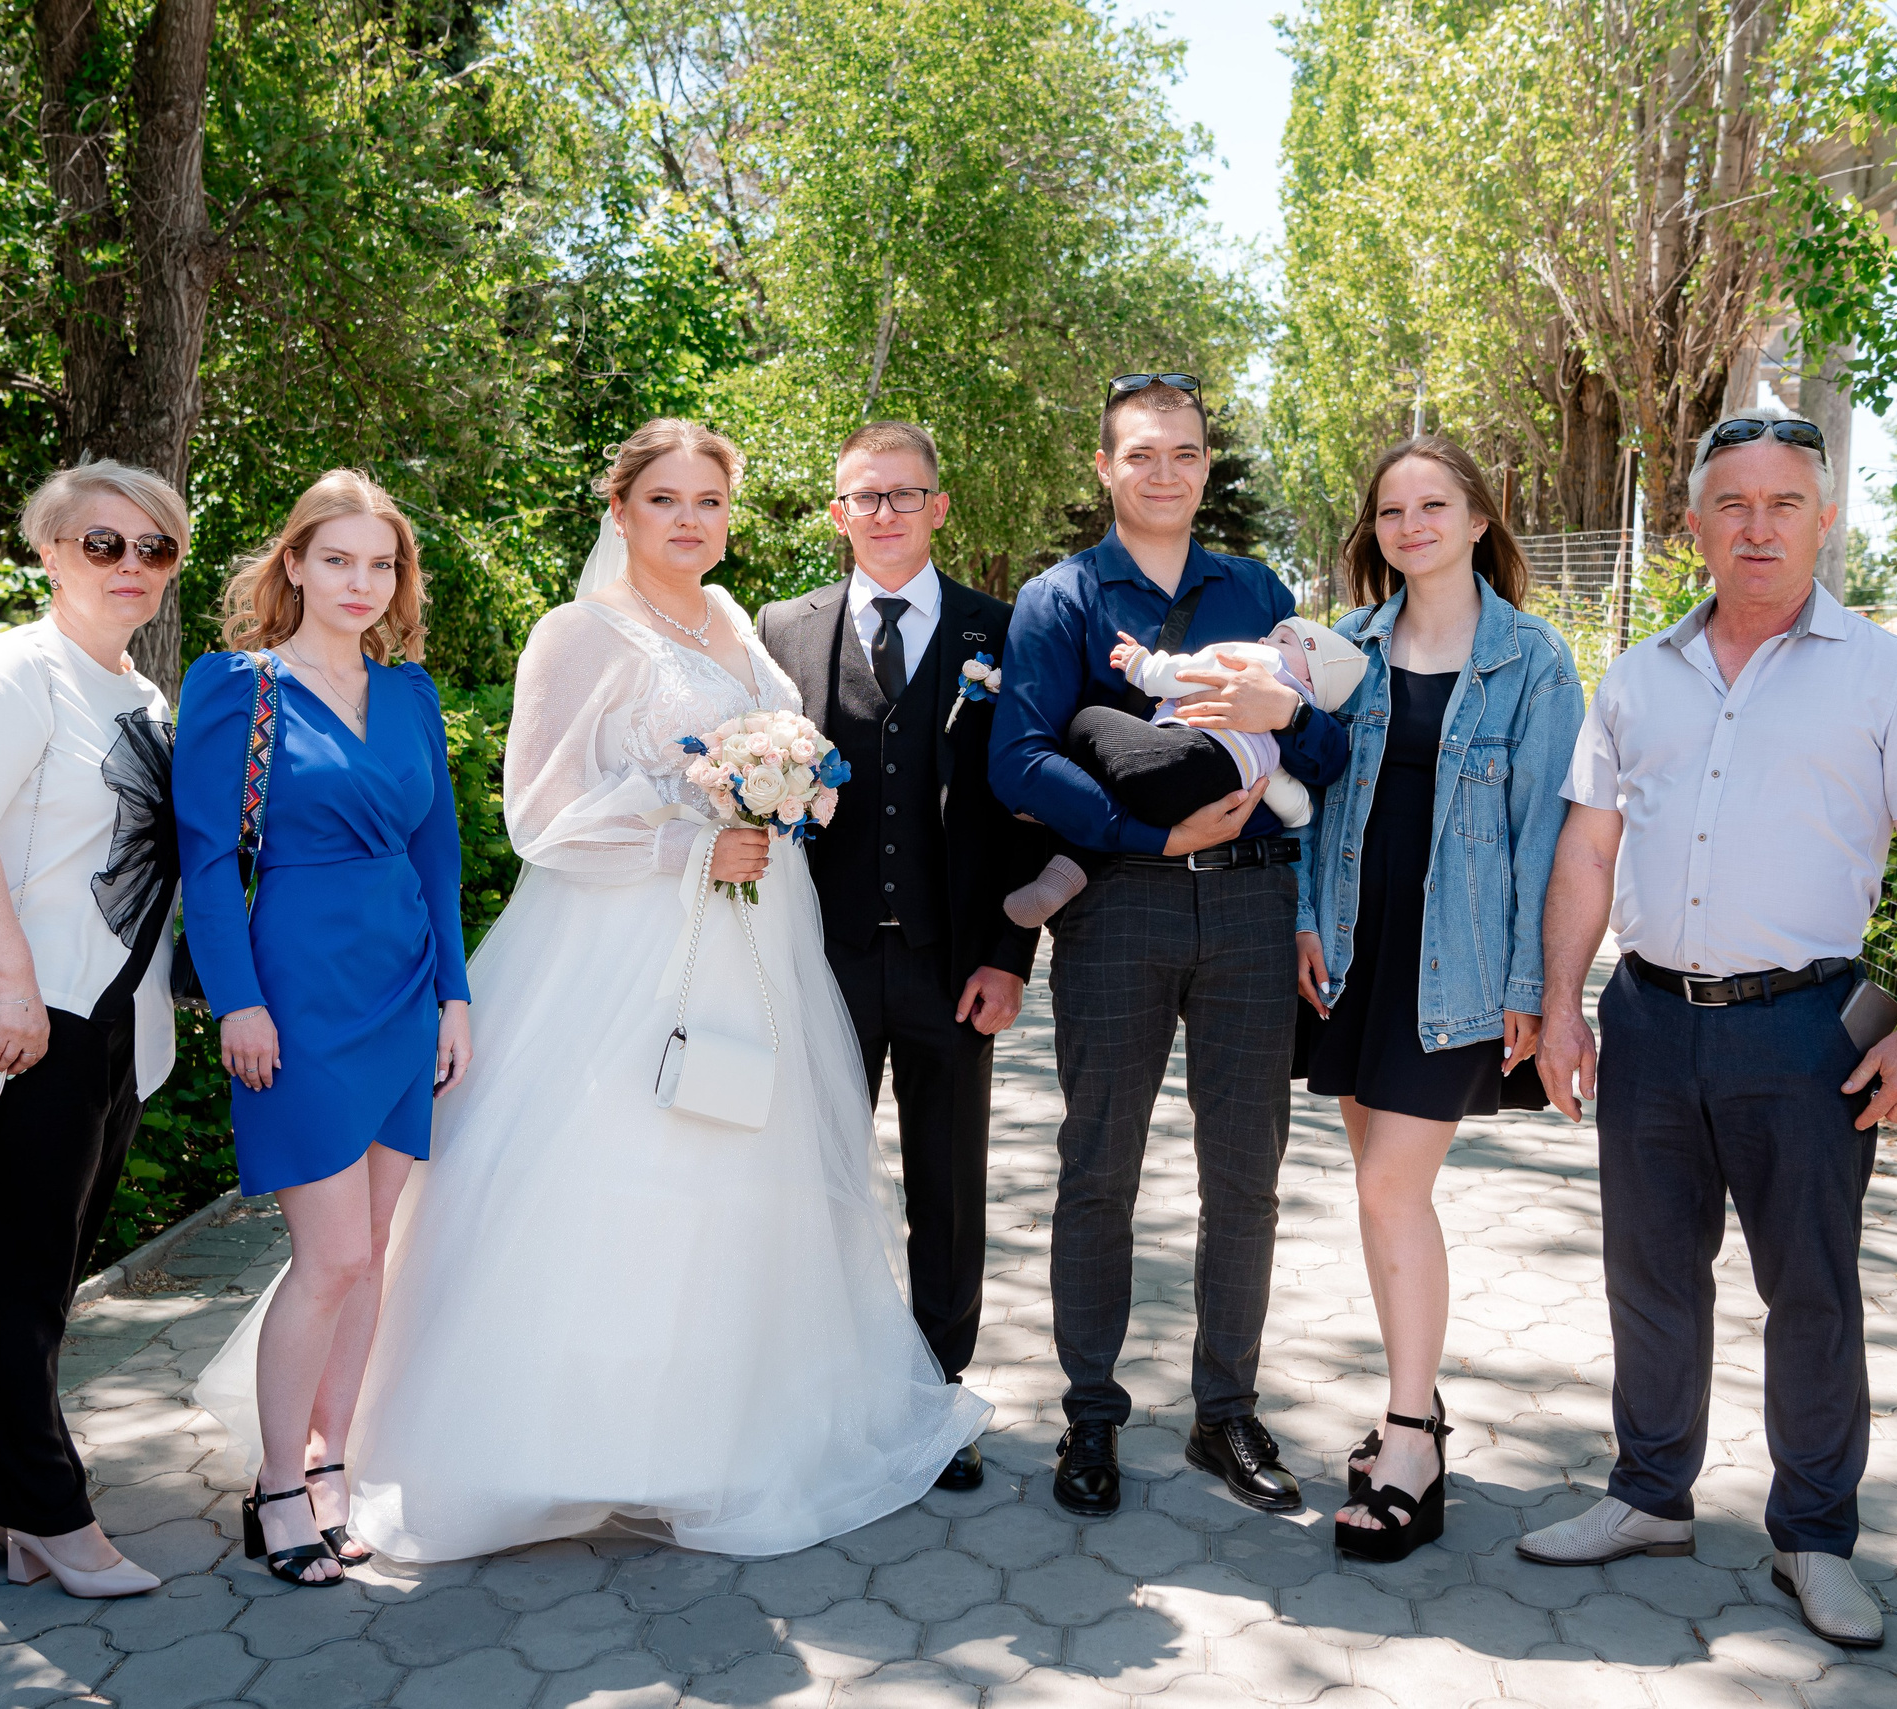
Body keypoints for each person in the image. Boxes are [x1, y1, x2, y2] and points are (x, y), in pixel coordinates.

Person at [201, 418, 988, 1561]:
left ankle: (708, 1431)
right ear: (618, 509)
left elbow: (798, 764)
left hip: (749, 933)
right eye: (663, 499)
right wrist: (688, 837)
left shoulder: (735, 623)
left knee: (733, 1182)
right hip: (618, 949)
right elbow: (538, 815)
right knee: (612, 1171)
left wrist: (781, 797)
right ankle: (512, 1439)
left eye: (708, 502)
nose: (687, 521)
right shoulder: (575, 632)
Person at [1523, 409, 1897, 1650]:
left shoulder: (1891, 674)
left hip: (1805, 1031)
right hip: (1651, 1022)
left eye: (1784, 503)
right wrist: (1563, 1004)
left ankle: (1816, 1537)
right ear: (1694, 527)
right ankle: (1648, 1494)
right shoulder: (1637, 676)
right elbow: (1586, 848)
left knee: (1813, 1295)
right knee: (1650, 1275)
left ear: (1823, 520)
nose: (1758, 525)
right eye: (1732, 504)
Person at [990, 374, 1351, 1518]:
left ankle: (1223, 1414)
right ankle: (1090, 1415)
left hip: (1247, 907)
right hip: (1118, 910)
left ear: (1204, 465)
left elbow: (1331, 752)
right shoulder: (1060, 599)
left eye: (1184, 453)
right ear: (1103, 467)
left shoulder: (1255, 589)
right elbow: (1019, 757)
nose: (1164, 472)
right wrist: (1145, 827)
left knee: (1244, 1177)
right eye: (1141, 453)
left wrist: (1285, 720)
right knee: (1099, 1168)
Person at [0, 458, 187, 1599]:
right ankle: (54, 1518)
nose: (130, 566)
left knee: (25, 1275)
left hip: (97, 1014)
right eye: (102, 542)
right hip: (3, 1010)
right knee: (1, 1275)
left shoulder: (141, 697)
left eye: (154, 548)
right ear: (51, 549)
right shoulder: (9, 672)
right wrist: (13, 983)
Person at [1288, 436, 1584, 1562]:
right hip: (1355, 952)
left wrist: (1529, 985)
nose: (1410, 524)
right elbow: (1308, 797)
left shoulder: (1532, 659)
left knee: (1388, 1189)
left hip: (1453, 966)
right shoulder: (1344, 645)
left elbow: (1544, 837)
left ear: (1475, 519)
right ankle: (1410, 1401)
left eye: (1433, 505)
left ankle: (1411, 1435)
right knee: (1378, 1194)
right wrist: (1307, 918)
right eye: (1391, 509)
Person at [177, 471, 472, 1587]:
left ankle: (334, 1464)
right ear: (293, 563)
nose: (361, 582)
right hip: (295, 988)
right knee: (331, 1252)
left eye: (381, 563)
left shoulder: (409, 693)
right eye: (338, 559)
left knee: (372, 1252)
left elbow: (437, 852)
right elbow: (207, 858)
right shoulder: (236, 687)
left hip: (404, 983)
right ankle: (274, 1484)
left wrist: (456, 994)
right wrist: (236, 998)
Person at [754, 421, 1051, 1492]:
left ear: (938, 505)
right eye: (863, 496)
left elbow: (1027, 806)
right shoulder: (778, 630)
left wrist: (1010, 953)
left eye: (904, 493)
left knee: (948, 1188)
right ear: (836, 514)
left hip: (951, 963)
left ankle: (934, 1404)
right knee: (817, 1183)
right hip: (815, 961)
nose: (883, 512)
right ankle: (821, 1393)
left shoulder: (1005, 630)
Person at [1007, 617, 1361, 926]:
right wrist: (1298, 810)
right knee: (1124, 792)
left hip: (1183, 755)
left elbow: (1188, 672)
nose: (1266, 641)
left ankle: (1061, 815)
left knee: (1088, 723)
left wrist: (1141, 665)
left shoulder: (1261, 664)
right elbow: (1289, 799)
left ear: (1310, 680)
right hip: (1213, 794)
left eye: (1283, 639)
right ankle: (1060, 879)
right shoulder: (1277, 741)